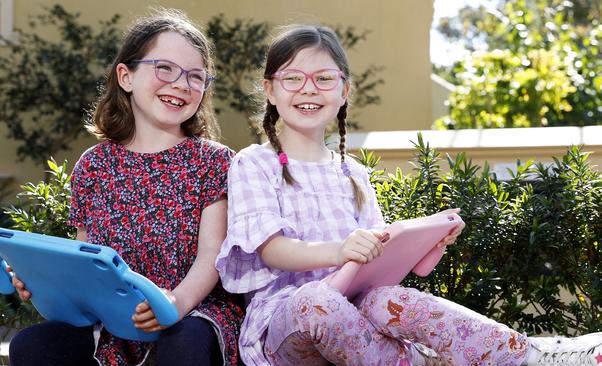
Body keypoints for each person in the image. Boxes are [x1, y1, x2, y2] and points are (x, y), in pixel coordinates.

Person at [215, 24, 602, 366]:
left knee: (390, 300)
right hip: (288, 321)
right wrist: (340, 250)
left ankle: (528, 355)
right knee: (320, 302)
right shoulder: (255, 164)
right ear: (269, 89)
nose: (308, 90)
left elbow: (380, 266)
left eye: (324, 79)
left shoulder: (354, 173)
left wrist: (428, 245)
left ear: (345, 89)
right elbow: (272, 250)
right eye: (293, 78)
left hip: (357, 309)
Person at [7, 9, 244, 366]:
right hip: (114, 324)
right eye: (164, 68)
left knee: (185, 342)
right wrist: (40, 284)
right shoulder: (93, 166)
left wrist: (174, 304)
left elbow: (212, 257)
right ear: (126, 76)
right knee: (32, 346)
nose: (182, 84)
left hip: (192, 314)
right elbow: (82, 265)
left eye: (196, 76)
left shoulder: (215, 162)